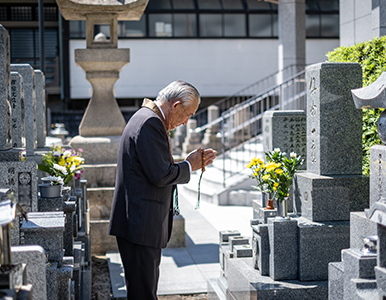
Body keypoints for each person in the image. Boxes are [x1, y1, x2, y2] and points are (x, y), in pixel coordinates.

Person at [108, 80, 217, 300]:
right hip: (140, 224)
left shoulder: (146, 117)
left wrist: (185, 163)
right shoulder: (150, 123)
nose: (185, 122)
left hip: (138, 222)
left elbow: (153, 167)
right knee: (143, 293)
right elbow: (160, 175)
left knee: (142, 290)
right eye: (187, 114)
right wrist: (189, 166)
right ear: (175, 105)